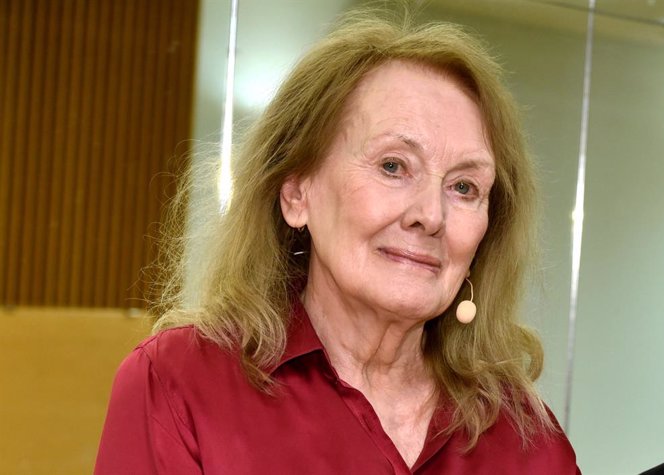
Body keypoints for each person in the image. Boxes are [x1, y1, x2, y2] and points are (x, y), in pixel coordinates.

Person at [96, 7, 579, 474]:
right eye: (393, 166)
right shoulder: (178, 384)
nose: (431, 216)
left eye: (464, 187)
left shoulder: (529, 443)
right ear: (296, 192)